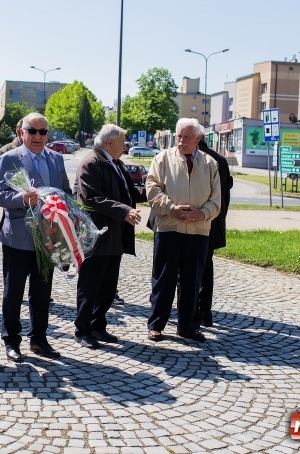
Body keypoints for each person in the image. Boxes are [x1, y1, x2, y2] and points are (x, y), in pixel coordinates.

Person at [0, 112, 71, 362]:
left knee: (42, 292)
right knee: (13, 293)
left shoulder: (57, 159)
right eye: (32, 131)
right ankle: (11, 341)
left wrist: (63, 204)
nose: (38, 136)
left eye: (43, 132)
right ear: (21, 133)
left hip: (49, 237)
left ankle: (39, 339)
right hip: (18, 237)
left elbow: (66, 191)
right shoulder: (9, 159)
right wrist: (22, 199)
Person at [145, 118, 220, 344]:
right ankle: (156, 325)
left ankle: (188, 326)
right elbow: (152, 188)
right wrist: (171, 209)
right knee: (163, 279)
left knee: (192, 281)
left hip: (198, 230)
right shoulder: (162, 158)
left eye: (187, 136)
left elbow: (217, 198)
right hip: (169, 227)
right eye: (179, 135)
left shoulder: (210, 163)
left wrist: (202, 214)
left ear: (198, 138)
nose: (181, 140)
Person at [72, 124, 144, 349]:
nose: (125, 146)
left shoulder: (116, 163)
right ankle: (82, 330)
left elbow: (127, 193)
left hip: (114, 235)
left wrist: (152, 192)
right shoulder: (91, 163)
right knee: (90, 286)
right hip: (96, 236)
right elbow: (92, 198)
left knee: (108, 286)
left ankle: (98, 325)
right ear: (110, 142)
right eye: (122, 142)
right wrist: (125, 211)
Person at [196, 136, 233, 327]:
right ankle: (204, 312)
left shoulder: (196, 158)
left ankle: (191, 311)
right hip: (213, 221)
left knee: (184, 268)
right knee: (205, 267)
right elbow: (225, 197)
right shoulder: (220, 160)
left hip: (196, 222)